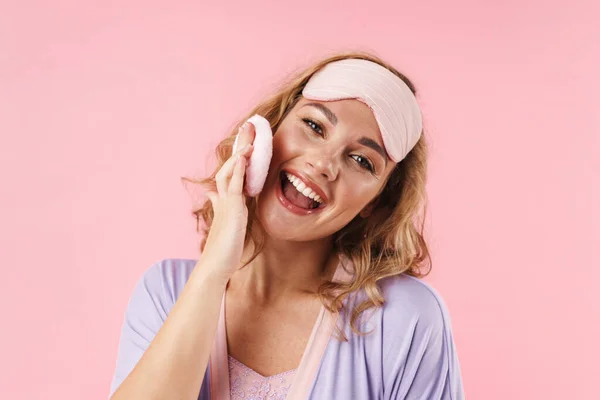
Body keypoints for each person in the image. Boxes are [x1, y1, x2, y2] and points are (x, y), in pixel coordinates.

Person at [108, 52, 465, 400]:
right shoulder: (165, 292)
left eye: (360, 160)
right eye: (314, 126)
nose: (323, 164)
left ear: (375, 203)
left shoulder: (405, 318)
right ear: (266, 132)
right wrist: (213, 272)